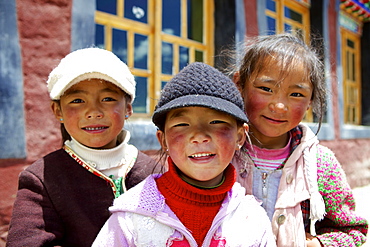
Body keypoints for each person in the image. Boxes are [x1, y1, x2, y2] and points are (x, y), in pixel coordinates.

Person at [92, 62, 276, 247]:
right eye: (182, 125)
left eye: (216, 122)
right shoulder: (132, 217)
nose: (199, 136)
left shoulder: (251, 218)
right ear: (163, 140)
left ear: (239, 136)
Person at [6, 47, 158, 247]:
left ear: (128, 108)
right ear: (57, 110)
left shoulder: (154, 173)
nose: (93, 111)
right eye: (77, 101)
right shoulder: (42, 180)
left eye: (108, 99)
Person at [230, 33, 368, 246]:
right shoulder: (221, 154)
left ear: (311, 100)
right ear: (239, 84)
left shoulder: (319, 164)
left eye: (296, 94)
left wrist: (321, 244)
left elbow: (351, 230)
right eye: (266, 89)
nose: (279, 105)